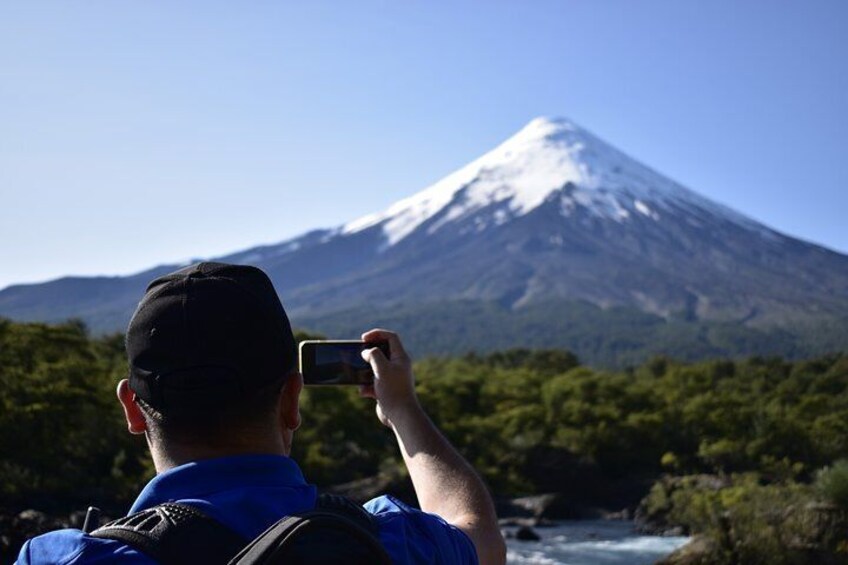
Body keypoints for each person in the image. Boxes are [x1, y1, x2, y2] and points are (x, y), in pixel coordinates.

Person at [16, 262, 506, 564]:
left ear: (133, 409)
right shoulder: (389, 541)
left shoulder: (71, 558)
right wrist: (402, 409)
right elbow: (476, 534)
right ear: (292, 401)